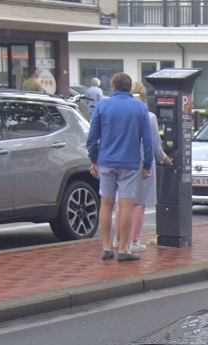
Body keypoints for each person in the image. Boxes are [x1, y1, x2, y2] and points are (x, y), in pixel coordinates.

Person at [86, 71, 154, 262]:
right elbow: (147, 139)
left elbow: (92, 137)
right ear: (129, 87)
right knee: (125, 205)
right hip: (130, 163)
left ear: (113, 87)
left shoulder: (103, 105)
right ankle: (124, 249)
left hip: (106, 161)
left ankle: (106, 247)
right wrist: (147, 164)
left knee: (106, 204)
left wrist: (93, 159)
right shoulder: (139, 108)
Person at [119, 82, 172, 253]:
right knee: (138, 204)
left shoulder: (122, 114)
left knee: (123, 204)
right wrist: (166, 159)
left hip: (122, 161)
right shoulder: (149, 117)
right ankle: (134, 240)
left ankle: (118, 239)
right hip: (142, 162)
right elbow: (155, 145)